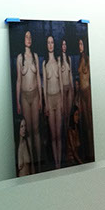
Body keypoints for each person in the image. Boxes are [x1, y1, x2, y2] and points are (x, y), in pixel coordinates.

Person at [16, 30, 41, 170]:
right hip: (24, 97)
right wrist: (17, 101)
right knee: (29, 131)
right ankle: (32, 165)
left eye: (30, 36)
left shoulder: (35, 56)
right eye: (26, 36)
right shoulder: (20, 58)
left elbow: (38, 79)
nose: (29, 39)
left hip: (35, 95)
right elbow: (18, 81)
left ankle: (40, 162)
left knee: (36, 130)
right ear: (23, 39)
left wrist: (41, 99)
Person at [42, 35, 63, 169]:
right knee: (53, 135)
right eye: (48, 42)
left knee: (59, 135)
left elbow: (60, 83)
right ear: (46, 45)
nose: (50, 45)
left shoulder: (58, 62)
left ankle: (60, 163)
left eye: (52, 42)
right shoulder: (45, 64)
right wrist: (46, 104)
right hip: (49, 100)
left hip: (58, 99)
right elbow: (44, 85)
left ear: (54, 44)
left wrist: (62, 101)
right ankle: (56, 164)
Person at [78, 37, 94, 161]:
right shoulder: (80, 58)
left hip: (87, 91)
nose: (80, 46)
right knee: (84, 122)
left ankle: (91, 151)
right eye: (79, 44)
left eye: (81, 44)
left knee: (89, 123)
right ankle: (88, 150)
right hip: (82, 93)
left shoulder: (87, 59)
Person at [59, 39, 74, 141]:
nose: (64, 46)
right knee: (63, 114)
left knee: (68, 113)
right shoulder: (59, 59)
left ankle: (69, 136)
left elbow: (70, 74)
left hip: (69, 88)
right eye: (62, 44)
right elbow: (59, 78)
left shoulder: (69, 58)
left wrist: (72, 89)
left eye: (65, 44)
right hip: (63, 89)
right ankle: (64, 136)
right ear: (60, 46)